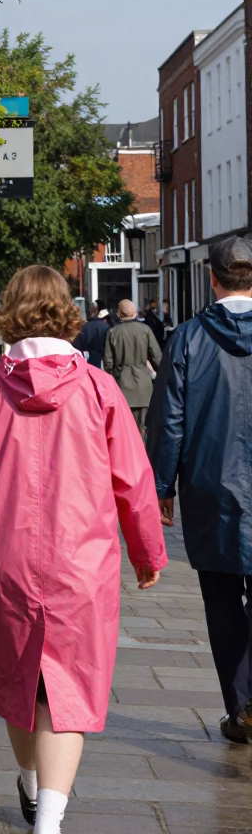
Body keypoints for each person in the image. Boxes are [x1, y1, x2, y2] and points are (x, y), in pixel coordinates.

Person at [0, 266, 166, 834]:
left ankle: (33, 786)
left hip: (0, 559)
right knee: (70, 684)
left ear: (9, 312)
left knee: (16, 681)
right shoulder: (100, 389)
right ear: (66, 314)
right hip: (82, 562)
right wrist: (148, 552)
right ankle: (50, 820)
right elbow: (133, 478)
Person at [147, 236, 252, 745]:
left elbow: (168, 421)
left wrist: (161, 486)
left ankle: (241, 704)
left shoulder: (188, 338)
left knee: (222, 600)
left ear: (212, 278)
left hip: (210, 488)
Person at [103, 298, 162, 432]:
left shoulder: (113, 332)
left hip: (121, 385)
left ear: (119, 313)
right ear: (135, 313)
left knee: (124, 430)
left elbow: (108, 363)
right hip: (143, 386)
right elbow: (157, 357)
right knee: (142, 428)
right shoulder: (145, 330)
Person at [73, 303, 108, 368]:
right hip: (103, 362)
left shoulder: (82, 327)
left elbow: (77, 348)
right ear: (96, 310)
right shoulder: (106, 326)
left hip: (86, 363)